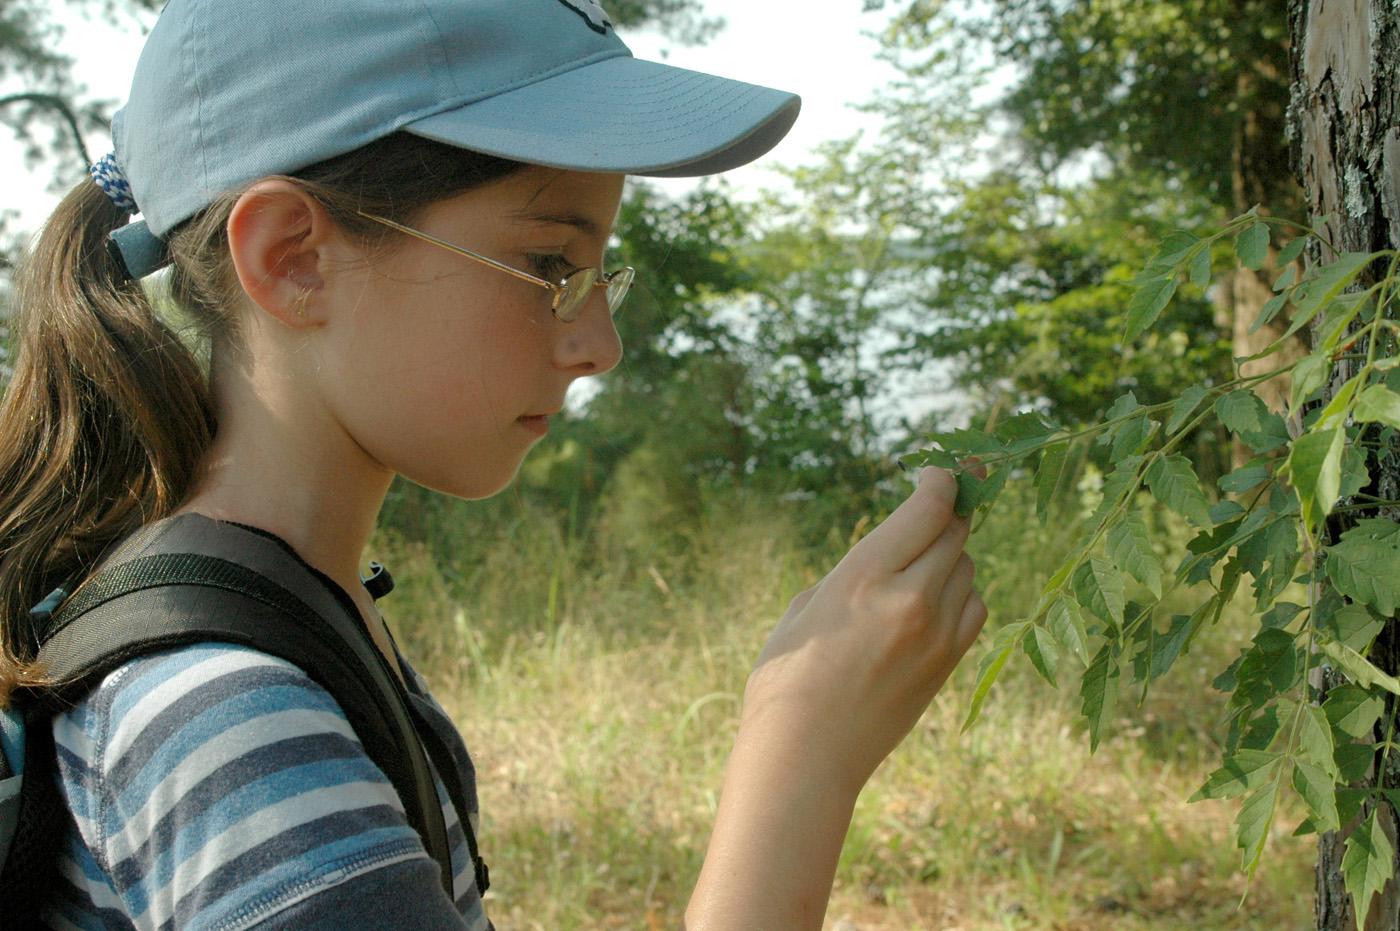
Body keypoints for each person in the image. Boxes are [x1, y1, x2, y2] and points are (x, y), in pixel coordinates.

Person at [0, 0, 988, 928]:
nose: (599, 343)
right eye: (550, 265)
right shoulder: (226, 716)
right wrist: (801, 757)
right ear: (293, 256)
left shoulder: (302, 615)